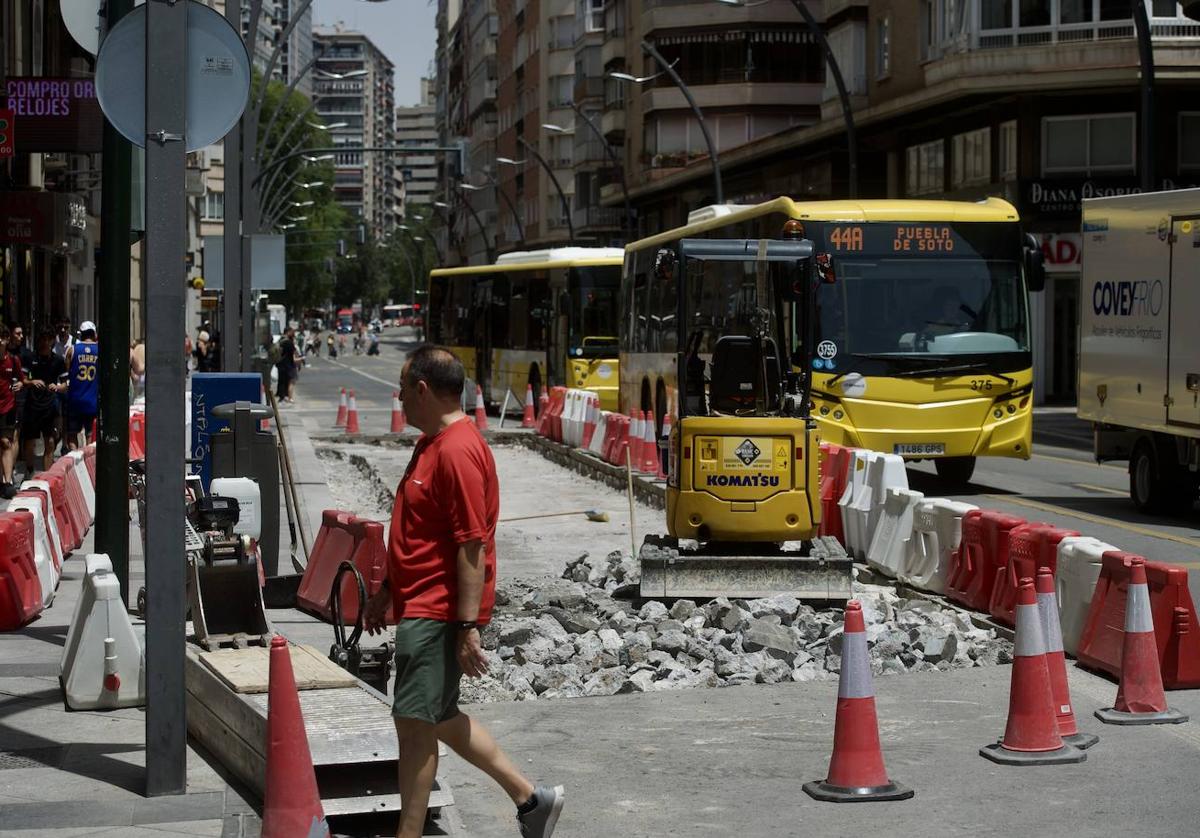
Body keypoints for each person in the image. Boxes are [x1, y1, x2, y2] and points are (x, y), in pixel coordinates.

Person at [364, 346, 563, 838]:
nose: (401, 400)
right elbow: (418, 530)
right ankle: (530, 799)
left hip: (435, 613)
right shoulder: (433, 443)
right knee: (440, 716)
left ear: (423, 390)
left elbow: (471, 545)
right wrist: (388, 588)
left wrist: (467, 626)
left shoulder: (456, 450)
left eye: (404, 389)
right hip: (420, 605)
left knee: (414, 727)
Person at [21, 329, 67, 473]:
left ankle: (47, 475)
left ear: (52, 341)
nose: (45, 343)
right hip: (32, 406)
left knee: (51, 442)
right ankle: (29, 471)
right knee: (29, 442)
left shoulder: (58, 360)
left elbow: (66, 385)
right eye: (43, 339)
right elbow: (22, 379)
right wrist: (32, 381)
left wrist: (58, 387)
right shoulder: (30, 357)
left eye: (48, 340)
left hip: (50, 407)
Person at [0, 325, 27, 498]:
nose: (1, 340)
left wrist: (20, 384)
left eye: (3, 337)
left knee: (5, 442)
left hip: (8, 406)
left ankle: (8, 481)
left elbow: (22, 380)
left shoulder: (13, 360)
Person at [64, 321, 99, 450]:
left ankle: (75, 455)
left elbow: (68, 373)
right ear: (94, 334)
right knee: (90, 433)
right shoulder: (100, 350)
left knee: (72, 434)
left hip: (75, 400)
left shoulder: (72, 350)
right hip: (92, 401)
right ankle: (89, 461)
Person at [274, 327, 299, 403]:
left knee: (281, 380)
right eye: (291, 332)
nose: (293, 334)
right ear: (288, 332)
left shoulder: (280, 340)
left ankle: (281, 396)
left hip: (280, 364)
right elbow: (293, 353)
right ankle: (285, 396)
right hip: (287, 365)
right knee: (288, 381)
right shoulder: (288, 342)